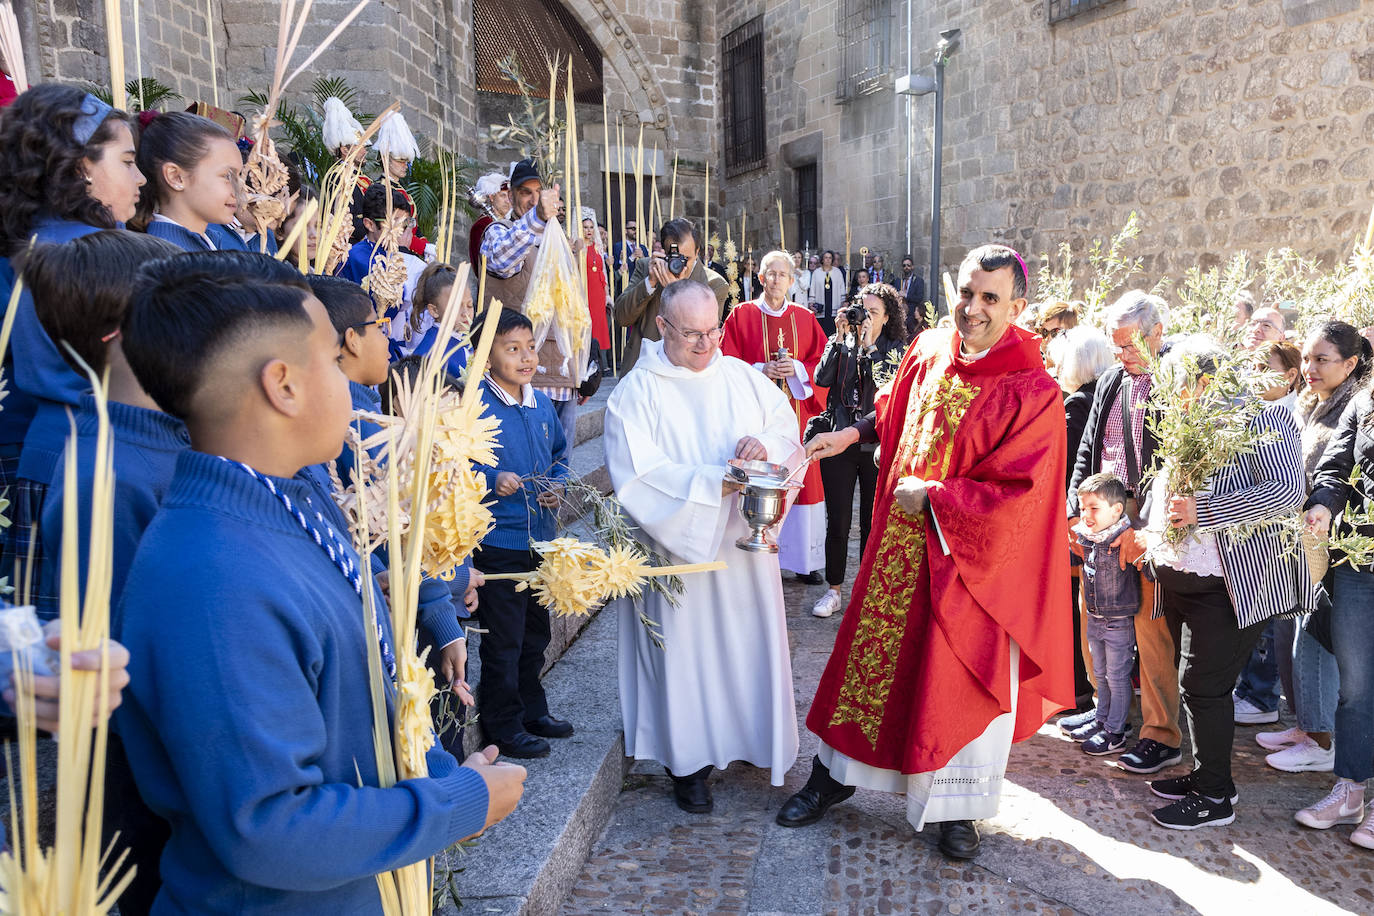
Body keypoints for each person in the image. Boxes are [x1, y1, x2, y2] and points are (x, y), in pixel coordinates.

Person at [114, 251, 525, 912]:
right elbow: (270, 828)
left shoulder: (287, 506)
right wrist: (455, 806)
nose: (353, 383)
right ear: (284, 385)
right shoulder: (211, 577)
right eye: (335, 360)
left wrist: (445, 775)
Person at [780, 245, 1072, 861]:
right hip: (897, 551)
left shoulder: (1034, 390)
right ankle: (833, 777)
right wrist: (851, 433)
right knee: (872, 665)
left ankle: (956, 811)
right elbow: (894, 413)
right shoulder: (930, 349)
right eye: (966, 293)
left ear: (1017, 306)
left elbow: (1023, 492)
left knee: (954, 679)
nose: (972, 309)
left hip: (971, 570)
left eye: (990, 298)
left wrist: (940, 499)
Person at [21, 230, 184, 916]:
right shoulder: (106, 476)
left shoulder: (157, 441)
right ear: (126, 333)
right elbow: (125, 666)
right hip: (144, 784)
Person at [603, 278, 801, 812]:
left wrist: (767, 445)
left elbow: (786, 431)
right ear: (662, 326)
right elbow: (640, 478)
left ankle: (743, 739)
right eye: (692, 333)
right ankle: (685, 764)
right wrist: (715, 482)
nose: (707, 344)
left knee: (742, 645)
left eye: (714, 330)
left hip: (740, 548)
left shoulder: (740, 376)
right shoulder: (635, 393)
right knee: (684, 657)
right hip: (677, 552)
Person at [1141, 335, 1309, 829]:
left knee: (1206, 687)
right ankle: (1207, 776)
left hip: (1233, 583)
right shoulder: (1187, 420)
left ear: (1206, 380)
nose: (1167, 397)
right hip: (1187, 577)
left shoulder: (1267, 417)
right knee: (1198, 687)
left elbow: (1286, 491)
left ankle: (1215, 797)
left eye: (1175, 385)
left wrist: (1204, 510)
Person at [0, 85, 144, 579]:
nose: (140, 177)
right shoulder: (95, 254)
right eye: (127, 161)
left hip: (43, 453)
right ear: (82, 165)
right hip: (100, 457)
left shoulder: (32, 241)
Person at [1064, 290, 1184, 777]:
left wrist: (1145, 525)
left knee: (1149, 629)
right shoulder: (1113, 377)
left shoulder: (1179, 378)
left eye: (1130, 345)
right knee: (1093, 614)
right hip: (1102, 511)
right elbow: (1088, 448)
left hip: (1149, 515)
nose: (1121, 355)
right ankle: (1107, 709)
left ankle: (1160, 735)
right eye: (1115, 346)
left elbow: (1183, 463)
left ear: (1157, 334)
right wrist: (1077, 510)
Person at [1257, 322, 1370, 772]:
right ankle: (1309, 725)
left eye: (1321, 359)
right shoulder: (1315, 402)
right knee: (1298, 635)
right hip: (1306, 541)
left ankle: (1321, 740)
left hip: (1339, 549)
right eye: (1306, 357)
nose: (1308, 368)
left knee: (1315, 638)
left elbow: (1339, 473)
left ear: (1351, 363)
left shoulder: (1353, 406)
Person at [470, 307, 573, 760]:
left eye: (530, 347)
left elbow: (560, 454)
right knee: (504, 640)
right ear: (485, 355)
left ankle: (533, 709)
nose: (526, 357)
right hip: (499, 542)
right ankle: (502, 723)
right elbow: (454, 463)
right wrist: (490, 477)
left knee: (535, 635)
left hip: (541, 540)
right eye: (512, 349)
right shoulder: (474, 405)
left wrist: (556, 483)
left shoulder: (543, 402)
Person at [721, 249, 829, 583]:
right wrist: (760, 369)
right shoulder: (741, 315)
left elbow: (821, 363)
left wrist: (796, 368)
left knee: (804, 479)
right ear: (760, 277)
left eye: (783, 274)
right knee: (762, 476)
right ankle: (759, 549)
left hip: (798, 415)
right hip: (758, 418)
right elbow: (726, 362)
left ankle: (805, 561)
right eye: (771, 273)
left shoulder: (805, 318)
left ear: (793, 280)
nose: (776, 280)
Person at [1302, 386, 1374, 848]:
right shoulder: (1365, 399)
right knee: (1356, 688)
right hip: (1358, 563)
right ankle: (1350, 790)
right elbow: (1335, 463)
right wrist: (1324, 503)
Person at [810, 282, 906, 618]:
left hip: (875, 445)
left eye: (873, 312)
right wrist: (838, 339)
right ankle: (833, 589)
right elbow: (821, 380)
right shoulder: (843, 342)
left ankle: (866, 593)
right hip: (840, 438)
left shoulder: (896, 348)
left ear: (886, 317)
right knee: (837, 520)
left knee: (871, 522)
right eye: (861, 309)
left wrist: (871, 349)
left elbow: (887, 391)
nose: (864, 318)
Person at [477, 157, 582, 449]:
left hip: (562, 374)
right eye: (526, 193)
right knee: (524, 469)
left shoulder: (559, 240)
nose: (533, 199)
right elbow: (500, 258)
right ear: (510, 195)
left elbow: (573, 306)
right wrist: (536, 218)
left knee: (561, 471)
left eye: (539, 193)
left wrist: (586, 362)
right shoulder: (499, 232)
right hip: (522, 378)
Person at [1048, 326, 1115, 712]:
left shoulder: (1077, 404)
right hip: (1098, 514)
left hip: (1077, 519)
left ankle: (1076, 691)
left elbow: (1068, 463)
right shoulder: (1102, 398)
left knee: (1077, 611)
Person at [1069, 473, 1139, 756]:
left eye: (1093, 508)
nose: (1086, 515)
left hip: (1118, 622)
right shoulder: (1088, 537)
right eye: (1083, 508)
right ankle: (1102, 720)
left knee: (1117, 677)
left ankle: (1115, 731)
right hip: (1096, 618)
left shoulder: (1125, 537)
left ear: (1117, 510)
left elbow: (1142, 566)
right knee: (1099, 673)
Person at [613, 217, 728, 372]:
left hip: (688, 374)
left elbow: (705, 337)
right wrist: (650, 282)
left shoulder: (714, 284)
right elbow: (621, 317)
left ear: (697, 252)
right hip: (644, 370)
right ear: (664, 251)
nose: (679, 264)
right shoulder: (646, 268)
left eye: (685, 258)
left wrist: (676, 291)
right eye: (673, 256)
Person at [131, 111, 242, 251]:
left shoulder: (209, 241)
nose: (239, 190)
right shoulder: (167, 259)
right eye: (227, 176)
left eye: (239, 176)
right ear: (176, 177)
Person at [339, 182, 429, 351]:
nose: (401, 231)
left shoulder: (391, 254)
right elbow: (385, 307)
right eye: (393, 223)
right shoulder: (359, 257)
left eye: (404, 223)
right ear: (369, 224)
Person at [373, 110, 429, 260]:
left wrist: (426, 246)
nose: (404, 166)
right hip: (392, 253)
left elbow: (414, 227)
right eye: (400, 161)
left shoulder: (402, 190)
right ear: (386, 160)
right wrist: (422, 247)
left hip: (410, 252)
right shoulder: (381, 190)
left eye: (406, 162)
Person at [408, 261, 476, 379]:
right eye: (456, 307)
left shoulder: (465, 337)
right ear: (434, 310)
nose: (466, 313)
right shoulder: (430, 354)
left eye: (470, 305)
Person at [580, 208, 612, 366]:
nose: (589, 230)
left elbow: (602, 272)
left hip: (598, 292)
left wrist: (606, 294)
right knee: (588, 325)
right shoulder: (579, 248)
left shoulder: (598, 247)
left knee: (600, 326)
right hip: (586, 292)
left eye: (591, 227)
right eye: (586, 227)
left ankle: (600, 361)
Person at [467, 171, 511, 267]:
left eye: (509, 196)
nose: (508, 201)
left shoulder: (511, 221)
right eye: (503, 195)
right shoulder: (482, 225)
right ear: (491, 197)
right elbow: (478, 261)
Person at [808, 249, 845, 336]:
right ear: (822, 259)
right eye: (826, 258)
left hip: (834, 307)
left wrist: (843, 302)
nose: (828, 260)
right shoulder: (817, 273)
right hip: (821, 308)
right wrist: (811, 304)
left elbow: (841, 287)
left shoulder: (837, 272)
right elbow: (813, 288)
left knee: (833, 332)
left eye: (830, 258)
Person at [897, 255, 926, 337]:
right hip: (900, 314)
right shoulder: (898, 280)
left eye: (908, 265)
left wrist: (906, 295)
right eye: (904, 265)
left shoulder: (918, 281)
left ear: (912, 267)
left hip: (912, 315)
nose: (906, 267)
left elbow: (919, 298)